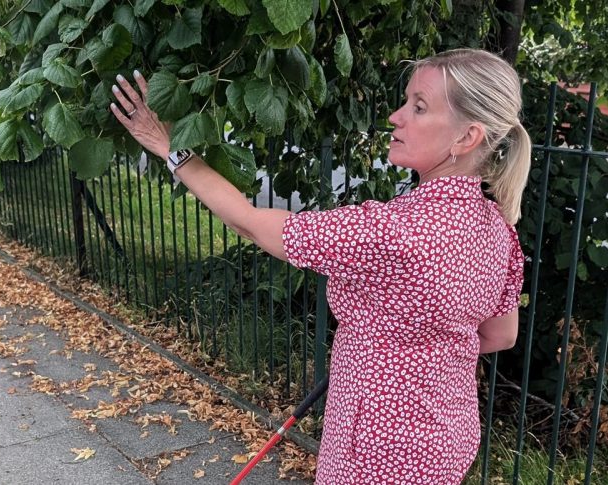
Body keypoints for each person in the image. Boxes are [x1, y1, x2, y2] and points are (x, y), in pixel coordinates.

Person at [110, 48, 529, 484]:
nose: (396, 117)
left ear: (467, 138)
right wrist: (403, 352)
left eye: (418, 107)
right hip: (448, 440)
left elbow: (252, 224)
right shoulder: (500, 230)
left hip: (376, 450)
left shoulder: (392, 230)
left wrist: (169, 148)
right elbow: (501, 334)